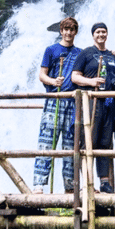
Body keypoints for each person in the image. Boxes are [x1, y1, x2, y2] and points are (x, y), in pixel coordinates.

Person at [71, 22, 115, 193]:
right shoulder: (86, 53)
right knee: (89, 140)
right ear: (93, 35)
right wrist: (91, 82)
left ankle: (104, 181)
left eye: (104, 32)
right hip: (92, 101)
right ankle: (87, 182)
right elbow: (75, 77)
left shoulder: (112, 56)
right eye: (98, 32)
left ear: (107, 34)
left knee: (105, 142)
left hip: (108, 102)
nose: (101, 35)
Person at [33, 17, 81, 194]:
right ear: (61, 31)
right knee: (47, 141)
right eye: (65, 29)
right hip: (55, 99)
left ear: (75, 32)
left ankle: (70, 186)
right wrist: (53, 81)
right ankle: (39, 184)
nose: (68, 33)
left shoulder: (80, 53)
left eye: (72, 30)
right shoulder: (51, 50)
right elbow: (42, 75)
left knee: (71, 144)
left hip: (72, 102)